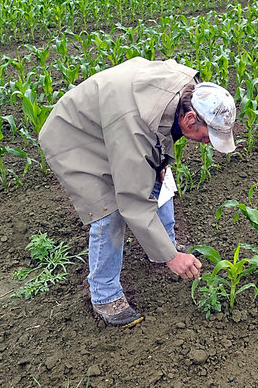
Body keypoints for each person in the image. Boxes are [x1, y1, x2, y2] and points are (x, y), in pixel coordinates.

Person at [38, 57, 237, 328]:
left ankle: (166, 244)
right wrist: (172, 259)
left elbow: (161, 133)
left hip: (112, 121)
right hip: (76, 135)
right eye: (206, 136)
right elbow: (133, 200)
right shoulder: (136, 128)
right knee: (110, 209)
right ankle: (105, 294)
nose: (207, 143)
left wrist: (161, 161)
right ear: (191, 119)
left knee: (161, 176)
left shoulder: (190, 92)